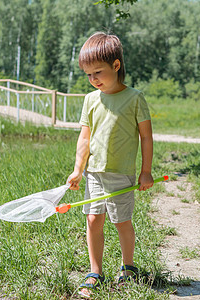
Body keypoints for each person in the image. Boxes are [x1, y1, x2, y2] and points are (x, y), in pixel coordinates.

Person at [67, 32, 154, 298]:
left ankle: (128, 267)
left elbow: (146, 136)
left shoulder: (135, 98)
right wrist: (78, 169)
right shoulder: (90, 100)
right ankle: (95, 271)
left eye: (98, 72)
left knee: (122, 222)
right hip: (94, 174)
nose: (93, 80)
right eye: (88, 75)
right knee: (93, 220)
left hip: (121, 174)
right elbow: (85, 137)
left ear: (116, 66)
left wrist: (146, 170)